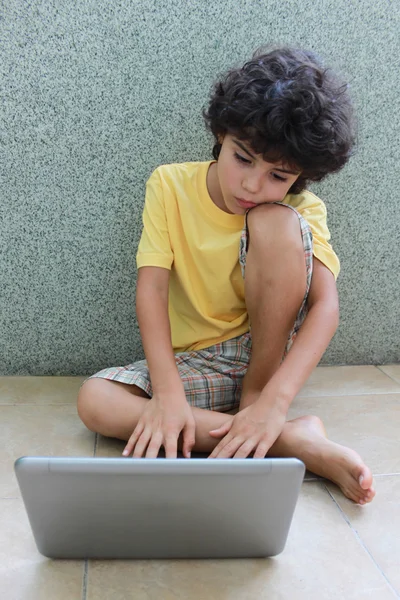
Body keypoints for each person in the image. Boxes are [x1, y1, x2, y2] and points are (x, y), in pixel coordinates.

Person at [77, 46, 375, 505]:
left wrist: (273, 399)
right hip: (200, 364)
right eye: (243, 159)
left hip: (267, 362)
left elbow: (325, 307)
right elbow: (152, 288)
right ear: (221, 133)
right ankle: (290, 440)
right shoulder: (170, 185)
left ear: (300, 177)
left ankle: (259, 410)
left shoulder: (300, 209)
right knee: (95, 400)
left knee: (273, 222)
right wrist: (170, 395)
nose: (254, 185)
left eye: (279, 176)